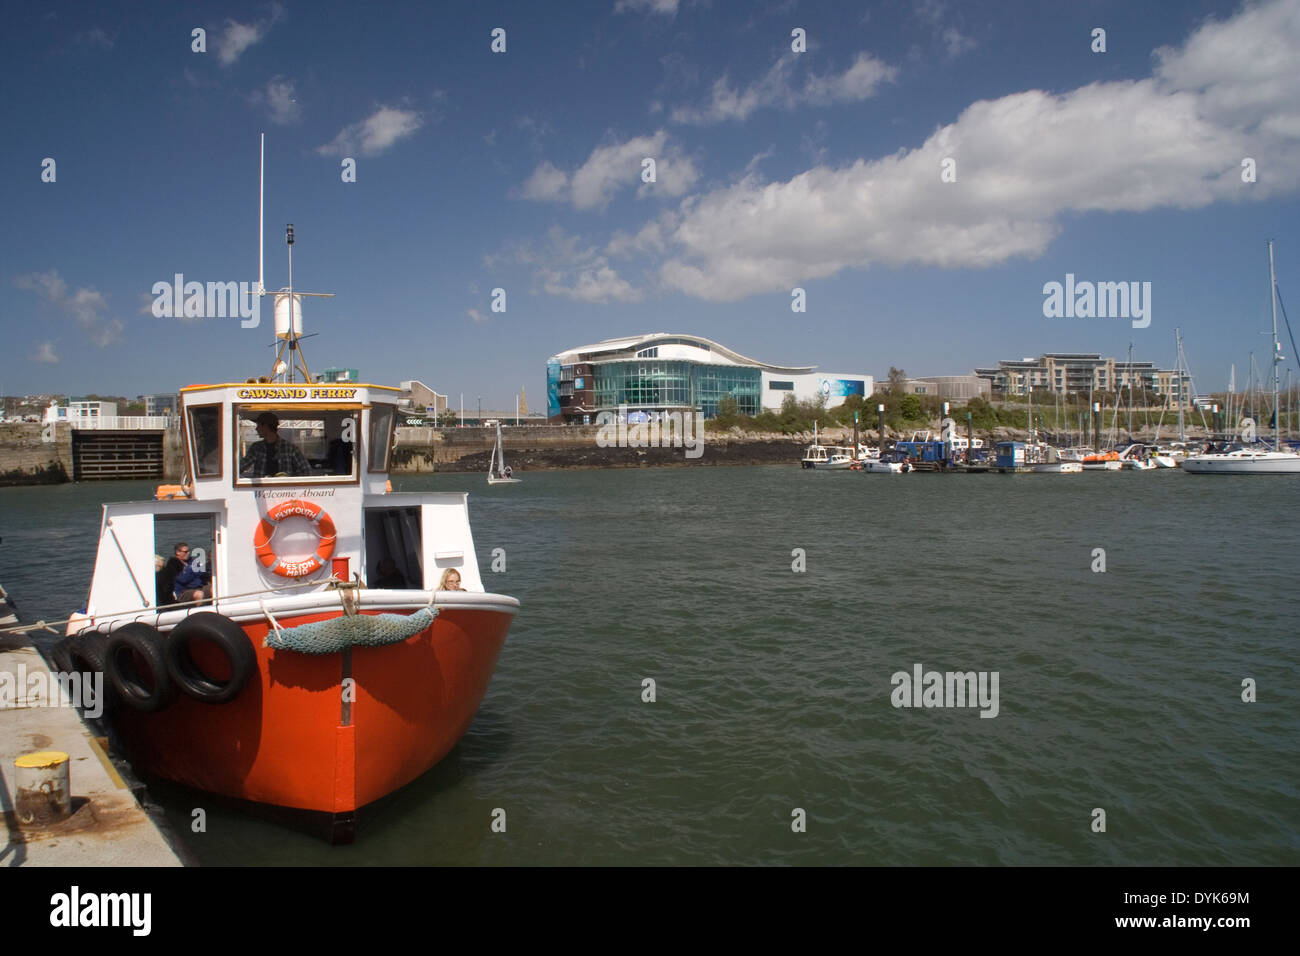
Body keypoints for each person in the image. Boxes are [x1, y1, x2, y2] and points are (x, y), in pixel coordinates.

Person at [239, 411, 311, 478]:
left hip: (284, 491)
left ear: (266, 426)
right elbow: (241, 467)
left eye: (258, 425)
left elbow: (306, 470)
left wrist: (289, 480)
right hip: (260, 491)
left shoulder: (290, 448)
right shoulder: (256, 448)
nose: (256, 429)